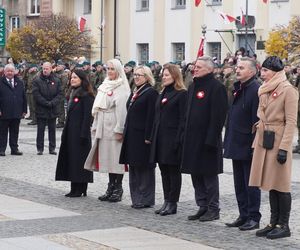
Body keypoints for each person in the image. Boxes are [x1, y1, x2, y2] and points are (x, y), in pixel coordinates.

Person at [249, 56, 299, 239]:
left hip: (278, 140)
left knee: (281, 184)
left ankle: (284, 225)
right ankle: (272, 222)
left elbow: (291, 121)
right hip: (265, 138)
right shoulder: (265, 90)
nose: (262, 74)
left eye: (265, 71)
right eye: (262, 70)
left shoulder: (288, 91)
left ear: (276, 72)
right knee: (270, 183)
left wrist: (284, 148)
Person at [181, 56, 228, 222]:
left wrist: (211, 139)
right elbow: (187, 113)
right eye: (195, 66)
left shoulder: (217, 87)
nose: (195, 69)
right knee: (195, 174)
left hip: (208, 140)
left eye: (199, 67)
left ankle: (213, 208)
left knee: (208, 175)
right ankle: (202, 205)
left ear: (209, 69)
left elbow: (218, 117)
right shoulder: (193, 86)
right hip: (192, 139)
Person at [84, 59, 130, 202]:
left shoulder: (122, 87)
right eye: (108, 69)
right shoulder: (105, 85)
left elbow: (122, 110)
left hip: (114, 125)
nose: (109, 71)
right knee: (107, 158)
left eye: (112, 69)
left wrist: (119, 129)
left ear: (118, 70)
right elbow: (98, 107)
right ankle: (110, 186)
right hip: (103, 125)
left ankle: (118, 187)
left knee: (116, 158)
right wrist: (96, 125)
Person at [223, 57, 261, 231]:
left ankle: (254, 217)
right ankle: (243, 214)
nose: (237, 70)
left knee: (250, 183)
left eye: (242, 68)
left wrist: (254, 144)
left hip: (247, 143)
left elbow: (256, 119)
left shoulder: (255, 89)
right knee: (239, 183)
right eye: (237, 67)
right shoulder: (238, 87)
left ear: (252, 72)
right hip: (236, 140)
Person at [149, 64, 187, 215]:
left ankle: (173, 202)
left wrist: (178, 140)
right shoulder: (162, 93)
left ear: (175, 76)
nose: (163, 77)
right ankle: (166, 200)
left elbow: (183, 119)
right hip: (160, 138)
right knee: (163, 171)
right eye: (163, 75)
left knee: (173, 172)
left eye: (166, 75)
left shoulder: (181, 94)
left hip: (172, 139)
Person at [119, 66, 158, 209]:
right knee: (134, 167)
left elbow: (151, 116)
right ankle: (136, 198)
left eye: (139, 75)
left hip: (143, 137)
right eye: (135, 74)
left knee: (144, 168)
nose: (136, 77)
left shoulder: (151, 93)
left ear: (147, 77)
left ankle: (146, 198)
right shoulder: (135, 92)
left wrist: (149, 136)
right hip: (132, 135)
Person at [55, 70, 94, 197]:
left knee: (79, 161)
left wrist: (83, 134)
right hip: (71, 132)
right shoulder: (72, 93)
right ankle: (74, 187)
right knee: (72, 160)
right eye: (71, 77)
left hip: (80, 134)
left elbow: (87, 117)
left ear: (82, 79)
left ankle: (80, 188)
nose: (72, 79)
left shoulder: (86, 95)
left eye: (75, 77)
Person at [32, 62, 63, 155]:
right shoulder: (37, 80)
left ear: (51, 69)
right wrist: (45, 103)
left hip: (53, 109)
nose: (45, 70)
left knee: (52, 130)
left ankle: (52, 148)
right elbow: (36, 94)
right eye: (44, 68)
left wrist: (53, 103)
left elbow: (60, 93)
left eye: (47, 68)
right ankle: (40, 148)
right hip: (41, 108)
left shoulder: (56, 80)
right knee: (40, 130)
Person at [0, 64, 27, 156]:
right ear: (4, 72)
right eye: (8, 71)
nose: (10, 73)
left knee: (15, 132)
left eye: (12, 71)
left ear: (14, 72)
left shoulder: (19, 82)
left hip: (16, 111)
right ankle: (1, 149)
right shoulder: (0, 82)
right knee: (2, 132)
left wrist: (24, 110)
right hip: (3, 112)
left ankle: (14, 149)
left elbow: (23, 96)